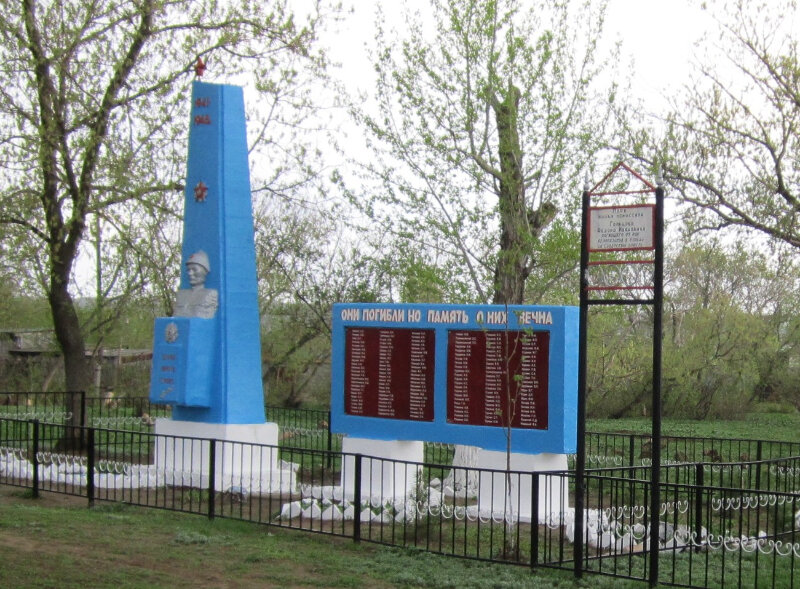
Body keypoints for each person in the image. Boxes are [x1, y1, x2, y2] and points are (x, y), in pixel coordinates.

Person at [174, 250, 219, 318]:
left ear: (205, 271)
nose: (190, 273)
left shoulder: (210, 295)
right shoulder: (181, 295)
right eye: (188, 270)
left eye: (194, 269)